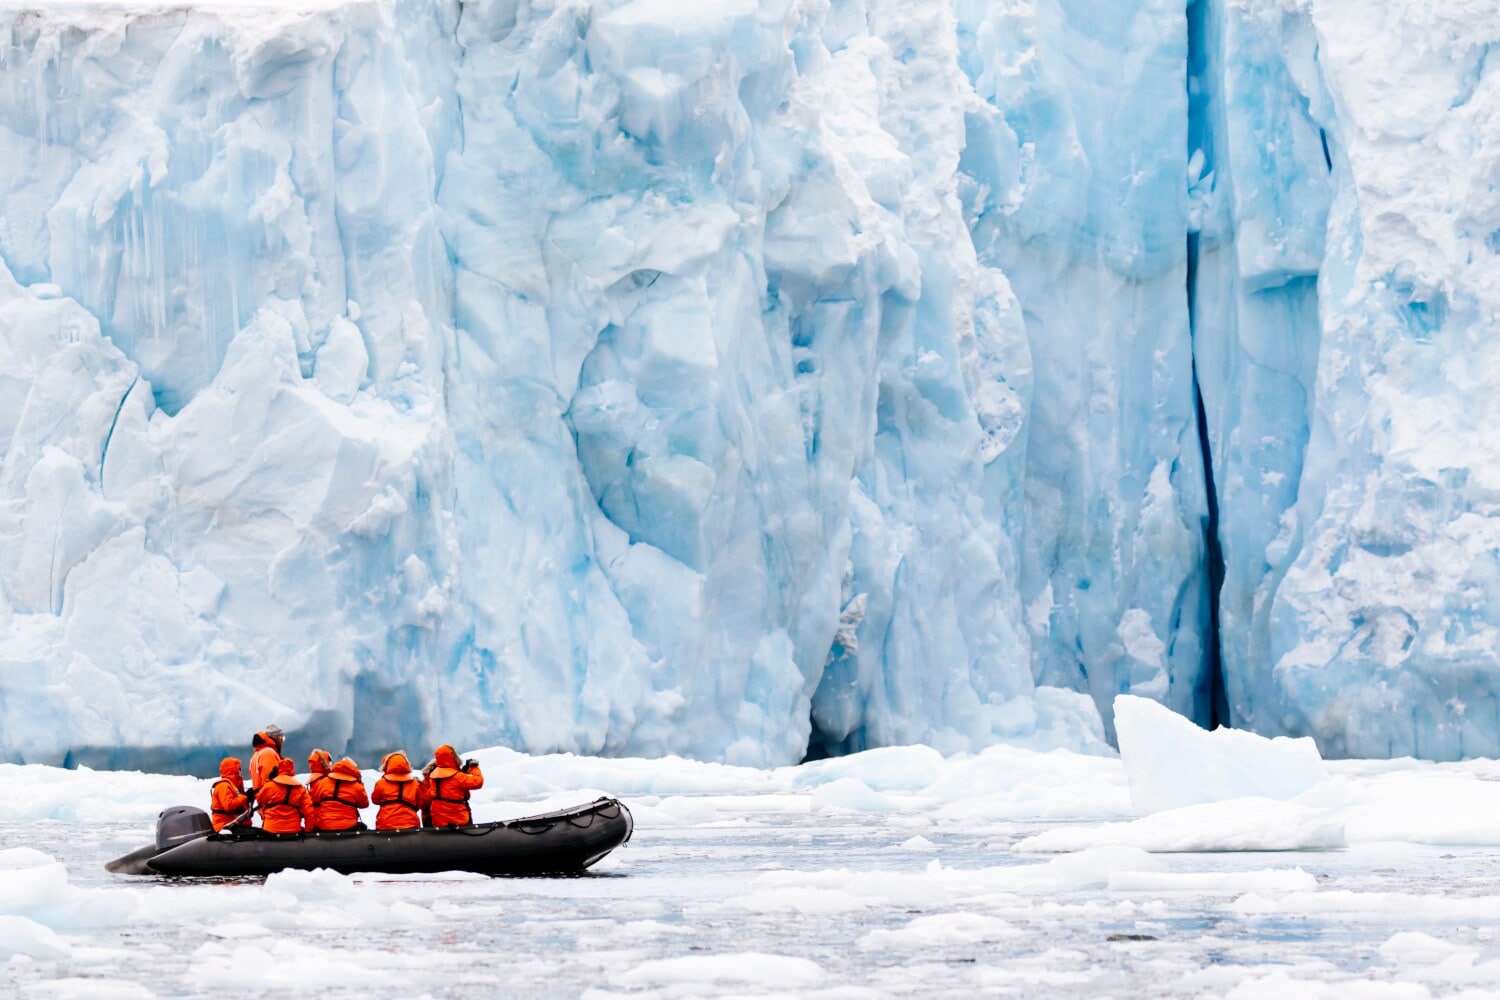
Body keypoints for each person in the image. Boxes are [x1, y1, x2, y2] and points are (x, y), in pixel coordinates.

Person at [421, 744, 484, 828]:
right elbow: (478, 782)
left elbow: (447, 786)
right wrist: (474, 767)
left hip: (439, 821)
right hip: (459, 820)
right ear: (453, 757)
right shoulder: (458, 777)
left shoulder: (433, 777)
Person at [308, 751, 369, 832]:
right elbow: (364, 804)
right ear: (354, 769)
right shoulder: (357, 786)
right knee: (363, 827)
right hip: (349, 827)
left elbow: (316, 801)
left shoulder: (322, 783)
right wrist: (360, 783)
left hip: (324, 825)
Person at [257, 757, 313, 834]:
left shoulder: (269, 786)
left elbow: (259, 799)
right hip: (293, 830)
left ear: (279, 769)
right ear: (292, 770)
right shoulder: (300, 789)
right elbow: (309, 811)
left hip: (270, 829)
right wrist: (308, 830)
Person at [371, 751, 424, 831]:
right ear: (406, 765)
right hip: (410, 824)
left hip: (385, 824)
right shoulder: (415, 784)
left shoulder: (381, 783)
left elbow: (375, 800)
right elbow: (421, 803)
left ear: (388, 765)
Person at [209, 757, 251, 831]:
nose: (240, 771)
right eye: (239, 769)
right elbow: (228, 805)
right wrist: (244, 797)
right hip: (224, 826)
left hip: (233, 824)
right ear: (233, 770)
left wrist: (249, 797)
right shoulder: (223, 786)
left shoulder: (232, 785)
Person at [249, 725, 284, 793]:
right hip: (271, 797)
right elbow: (270, 782)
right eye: (282, 738)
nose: (282, 741)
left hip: (261, 796)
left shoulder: (257, 754)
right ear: (277, 738)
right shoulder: (268, 753)